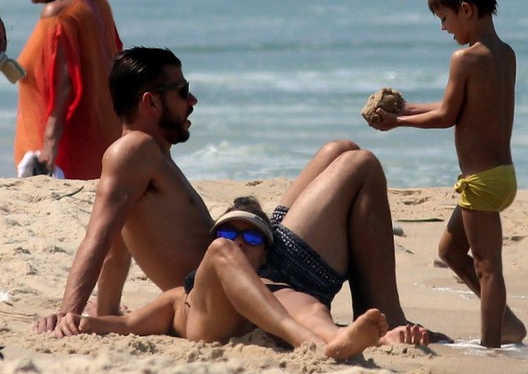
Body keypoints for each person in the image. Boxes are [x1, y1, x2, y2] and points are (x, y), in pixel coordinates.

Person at [34, 46, 446, 346]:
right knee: (362, 165)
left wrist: (105, 311)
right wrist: (72, 311)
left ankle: (376, 314)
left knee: (339, 150)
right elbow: (100, 236)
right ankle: (387, 315)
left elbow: (117, 242)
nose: (192, 101)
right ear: (150, 102)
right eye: (182, 92)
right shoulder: (132, 152)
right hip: (255, 282)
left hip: (255, 260)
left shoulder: (146, 159)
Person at [371, 0, 526, 349]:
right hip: (500, 175)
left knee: (487, 267)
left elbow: (446, 116)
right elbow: (456, 106)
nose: (444, 28)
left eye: (444, 18)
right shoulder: (505, 54)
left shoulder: (466, 59)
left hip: (481, 182)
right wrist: (404, 107)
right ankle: (504, 319)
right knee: (450, 250)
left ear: (467, 10)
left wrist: (397, 123)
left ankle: (493, 343)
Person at [58, 197, 389, 361]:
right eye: (231, 232)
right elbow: (129, 325)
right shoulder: (181, 292)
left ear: (264, 255)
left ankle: (337, 341)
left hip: (257, 311)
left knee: (306, 303)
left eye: (254, 238)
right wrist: (85, 323)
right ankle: (308, 342)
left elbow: (308, 313)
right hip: (206, 322)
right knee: (225, 256)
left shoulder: (275, 289)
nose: (240, 241)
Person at [8, 0, 122, 179]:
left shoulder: (58, 15)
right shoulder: (94, 0)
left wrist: (49, 147)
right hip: (103, 138)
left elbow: (63, 86)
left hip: (69, 153)